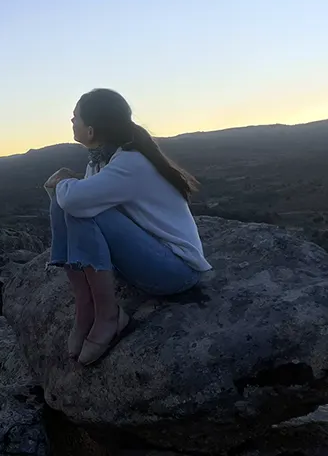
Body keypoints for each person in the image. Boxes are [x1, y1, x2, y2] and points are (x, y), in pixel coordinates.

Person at [44, 89, 211, 365]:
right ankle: (86, 305)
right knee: (67, 203)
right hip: (147, 260)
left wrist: (61, 183)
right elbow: (74, 201)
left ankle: (109, 316)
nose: (72, 121)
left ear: (91, 129)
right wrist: (65, 190)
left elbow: (76, 201)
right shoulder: (104, 161)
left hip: (176, 270)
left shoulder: (130, 162)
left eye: (76, 117)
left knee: (75, 204)